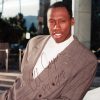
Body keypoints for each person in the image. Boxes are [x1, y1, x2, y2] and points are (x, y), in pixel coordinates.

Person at [0, 1, 97, 100]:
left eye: (62, 21)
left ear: (72, 21)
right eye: (52, 21)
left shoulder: (86, 60)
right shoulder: (34, 42)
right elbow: (21, 80)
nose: (56, 27)